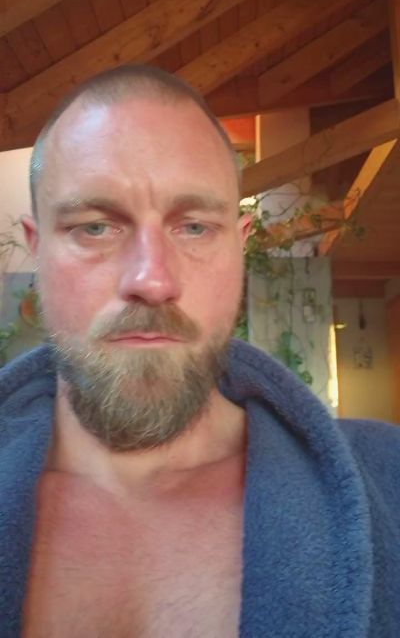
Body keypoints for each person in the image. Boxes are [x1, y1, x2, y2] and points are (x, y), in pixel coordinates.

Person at [0, 65, 399, 638]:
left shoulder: (389, 480)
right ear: (36, 250)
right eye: (95, 227)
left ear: (240, 246)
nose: (152, 281)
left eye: (193, 228)